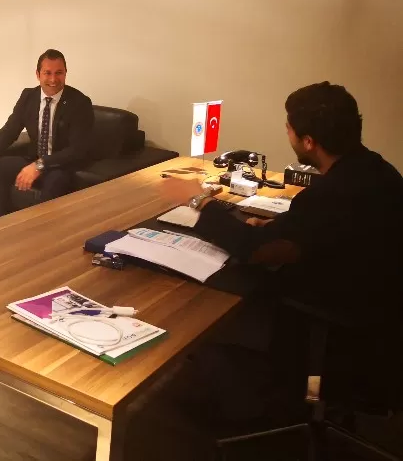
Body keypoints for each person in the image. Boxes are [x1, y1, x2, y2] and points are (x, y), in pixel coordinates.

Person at [139, 82, 403, 459]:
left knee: (216, 299)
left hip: (337, 325)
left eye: (289, 127)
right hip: (379, 316)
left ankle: (260, 401)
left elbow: (256, 250)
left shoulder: (328, 196)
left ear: (308, 141)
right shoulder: (378, 172)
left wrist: (197, 199)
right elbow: (328, 234)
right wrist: (280, 230)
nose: (287, 132)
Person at [0, 49, 94, 218]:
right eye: (47, 73)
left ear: (65, 73)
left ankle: (41, 230)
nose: (53, 79)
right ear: (38, 74)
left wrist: (40, 165)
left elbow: (77, 150)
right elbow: (10, 130)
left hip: (61, 165)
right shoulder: (28, 97)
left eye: (59, 73)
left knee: (55, 182)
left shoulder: (80, 103)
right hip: (34, 158)